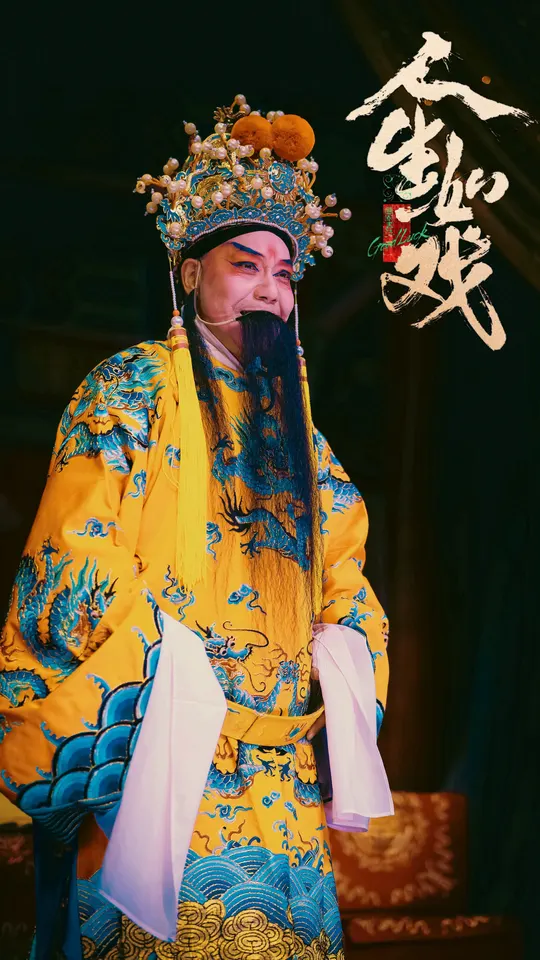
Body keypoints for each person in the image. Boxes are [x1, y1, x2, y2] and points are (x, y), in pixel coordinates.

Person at [0, 95, 391, 960]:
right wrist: (171, 658)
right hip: (161, 755)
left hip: (281, 784)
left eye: (285, 274)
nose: (269, 290)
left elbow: (347, 578)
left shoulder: (305, 442)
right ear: (189, 274)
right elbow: (73, 554)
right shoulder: (129, 389)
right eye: (245, 266)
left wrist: (344, 649)